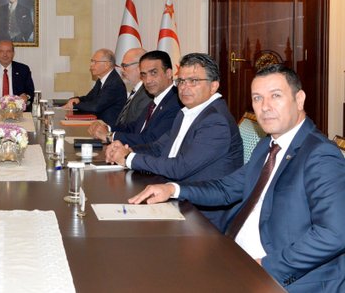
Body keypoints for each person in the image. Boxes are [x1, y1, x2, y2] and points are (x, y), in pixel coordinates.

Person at [129, 65, 345, 292]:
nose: (265, 107)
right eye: (257, 98)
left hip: (281, 275)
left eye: (276, 96)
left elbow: (335, 233)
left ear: (299, 99)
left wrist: (265, 267)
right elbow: (226, 188)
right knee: (152, 267)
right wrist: (173, 189)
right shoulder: (268, 145)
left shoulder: (320, 154)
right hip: (232, 254)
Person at [106, 52, 243, 228]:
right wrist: (127, 151)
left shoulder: (215, 121)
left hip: (201, 214)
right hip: (175, 196)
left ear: (213, 86)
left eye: (193, 81)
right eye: (181, 81)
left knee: (127, 229)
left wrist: (128, 158)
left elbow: (180, 167)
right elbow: (158, 147)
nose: (184, 87)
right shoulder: (187, 111)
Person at [90, 50, 180, 147]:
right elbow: (134, 127)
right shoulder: (155, 100)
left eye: (153, 73)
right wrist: (107, 128)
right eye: (144, 74)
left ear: (168, 73)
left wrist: (110, 136)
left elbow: (151, 141)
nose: (148, 80)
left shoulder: (176, 102)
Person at [62, 49, 126, 125]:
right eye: (92, 61)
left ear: (107, 64)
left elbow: (95, 107)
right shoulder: (101, 80)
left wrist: (74, 105)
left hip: (108, 128)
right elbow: (89, 98)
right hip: (98, 124)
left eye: (95, 62)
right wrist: (77, 99)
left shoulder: (114, 83)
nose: (91, 65)